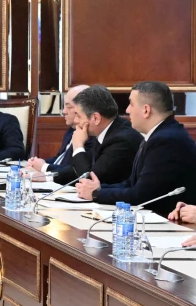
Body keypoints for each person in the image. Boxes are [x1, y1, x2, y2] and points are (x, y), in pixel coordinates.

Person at [76, 81, 196, 216]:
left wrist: (96, 194)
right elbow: (131, 183)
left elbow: (140, 195)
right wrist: (98, 188)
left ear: (146, 110)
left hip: (171, 221)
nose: (127, 110)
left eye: (131, 104)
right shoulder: (159, 134)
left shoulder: (167, 140)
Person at [51, 85, 141, 185]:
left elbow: (89, 179)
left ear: (96, 118)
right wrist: (49, 178)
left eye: (79, 116)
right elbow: (81, 169)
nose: (76, 121)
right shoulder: (103, 131)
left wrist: (78, 146)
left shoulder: (121, 141)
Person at [25, 85, 91, 180]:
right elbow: (60, 159)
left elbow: (77, 171)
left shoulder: (91, 135)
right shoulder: (71, 130)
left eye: (69, 107)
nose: (64, 111)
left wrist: (44, 168)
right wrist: (38, 163)